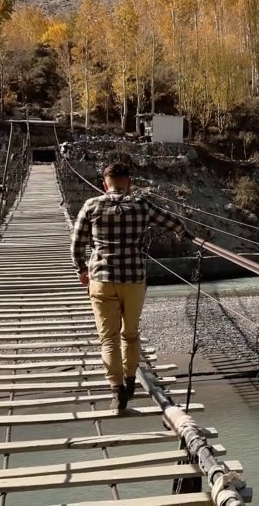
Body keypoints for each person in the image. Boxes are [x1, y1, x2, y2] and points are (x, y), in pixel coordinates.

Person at [70, 161, 190, 411]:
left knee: (109, 339)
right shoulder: (141, 205)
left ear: (105, 185)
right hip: (134, 280)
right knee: (131, 333)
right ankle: (130, 379)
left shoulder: (91, 205)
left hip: (102, 280)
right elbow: (172, 223)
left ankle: (116, 391)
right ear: (130, 183)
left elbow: (76, 244)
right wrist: (182, 234)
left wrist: (82, 270)